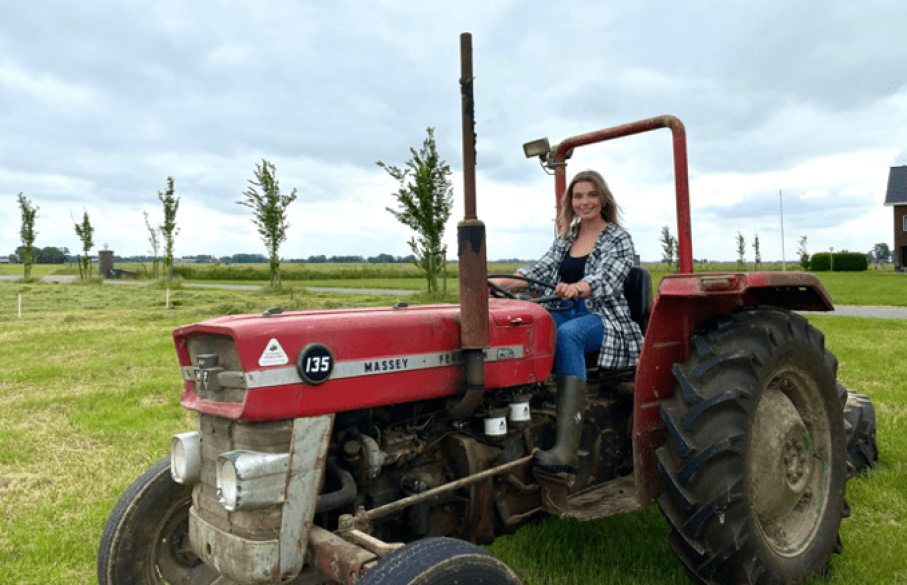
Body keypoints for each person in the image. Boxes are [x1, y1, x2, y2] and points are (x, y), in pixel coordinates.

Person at [489, 170, 643, 474]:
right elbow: (539, 271)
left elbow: (608, 279)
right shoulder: (567, 238)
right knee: (522, 324)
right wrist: (496, 285)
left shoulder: (618, 238)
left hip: (603, 316)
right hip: (565, 306)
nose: (585, 202)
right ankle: (519, 407)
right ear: (570, 203)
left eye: (591, 195)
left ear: (603, 199)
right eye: (578, 196)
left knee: (569, 335)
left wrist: (579, 287)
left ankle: (566, 450)